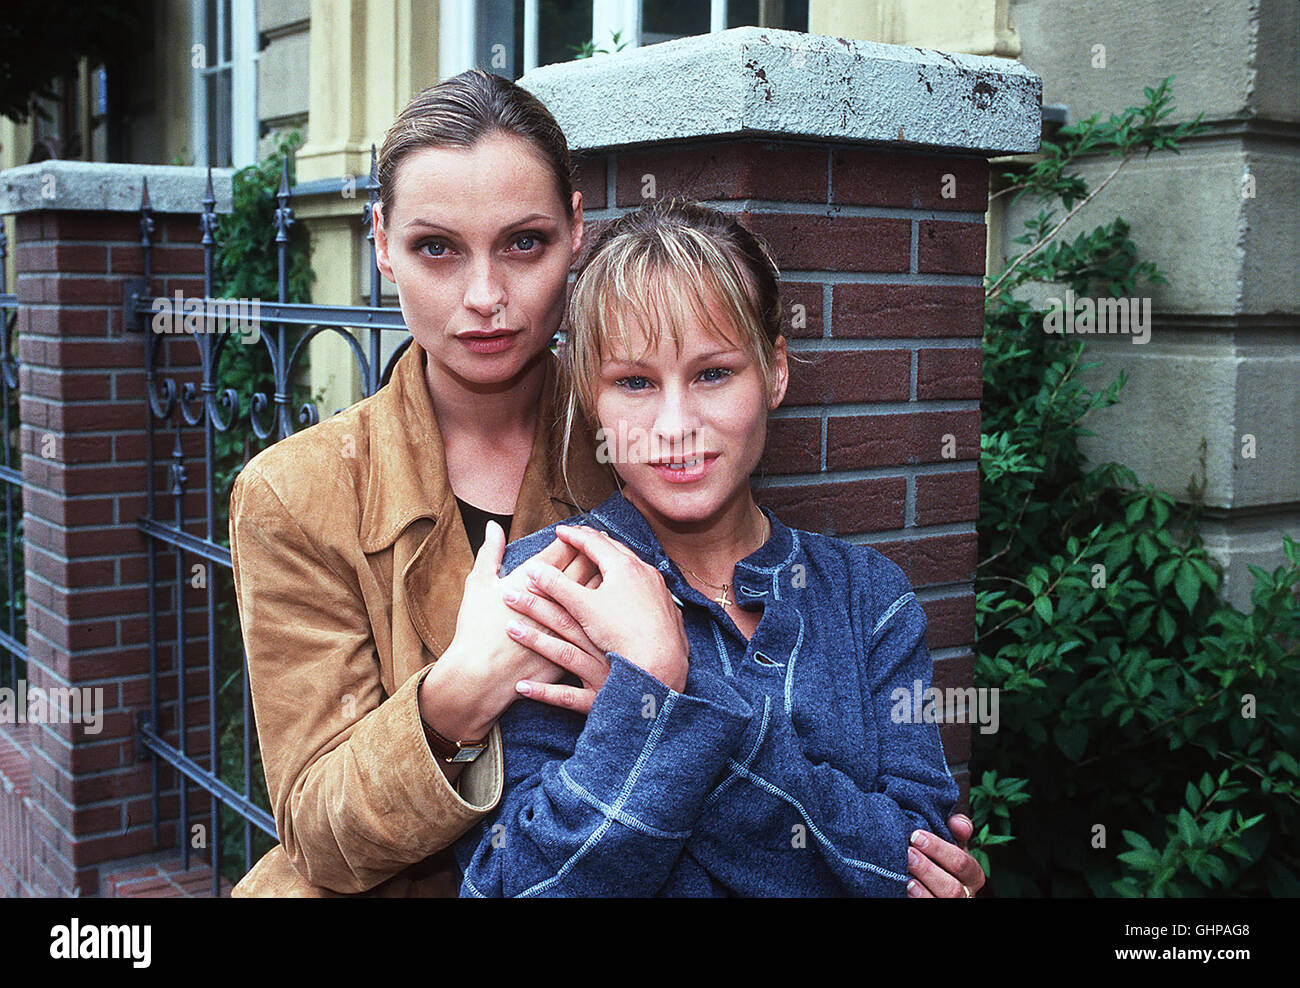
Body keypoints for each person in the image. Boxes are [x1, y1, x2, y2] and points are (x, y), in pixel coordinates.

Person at [228, 69, 984, 898]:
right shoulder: (296, 495)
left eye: (524, 243)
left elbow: (904, 845)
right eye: (435, 247)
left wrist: (675, 700)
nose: (485, 298)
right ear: (381, 243)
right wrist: (456, 694)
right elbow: (323, 834)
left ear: (575, 233)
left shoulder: (650, 452)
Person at [454, 196, 967, 896]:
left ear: (775, 372)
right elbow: (512, 885)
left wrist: (673, 701)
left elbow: (911, 869)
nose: (675, 424)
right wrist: (657, 690)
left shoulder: (870, 600)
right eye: (634, 382)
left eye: (713, 373)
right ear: (590, 394)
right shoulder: (548, 590)